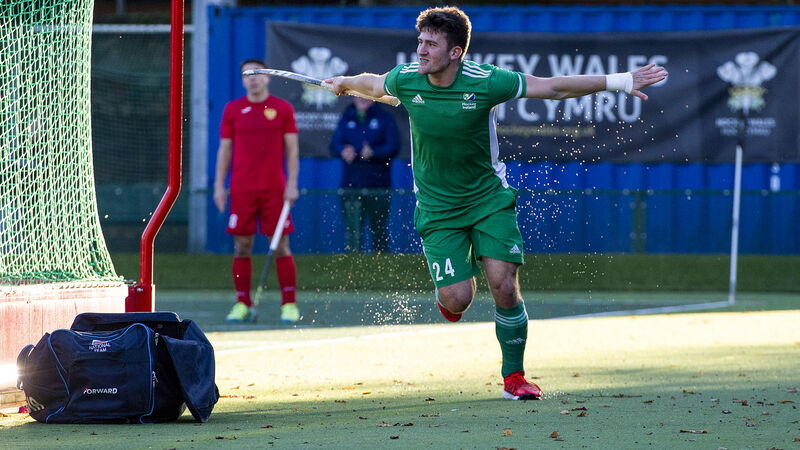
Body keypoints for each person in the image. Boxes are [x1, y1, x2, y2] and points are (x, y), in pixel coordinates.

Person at [327, 6, 667, 400]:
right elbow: (373, 83)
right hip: (437, 208)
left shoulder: (486, 81)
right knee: (458, 300)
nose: (420, 50)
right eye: (419, 41)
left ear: (455, 53)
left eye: (430, 44)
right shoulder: (405, 78)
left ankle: (514, 378)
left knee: (504, 285)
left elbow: (553, 87)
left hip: (488, 199)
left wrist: (621, 81)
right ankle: (454, 286)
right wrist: (345, 82)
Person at [214, 58, 301, 324]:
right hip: (241, 189)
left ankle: (289, 304)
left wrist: (292, 184)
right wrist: (219, 185)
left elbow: (292, 150)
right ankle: (242, 303)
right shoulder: (232, 110)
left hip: (274, 190)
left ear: (267, 77)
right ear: (242, 81)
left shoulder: (282, 108)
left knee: (281, 246)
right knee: (241, 246)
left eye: (256, 74)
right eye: (246, 75)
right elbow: (225, 149)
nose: (252, 78)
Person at [330, 97, 400, 253]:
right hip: (351, 185)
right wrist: (343, 151)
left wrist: (373, 153)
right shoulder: (346, 117)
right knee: (353, 231)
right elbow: (334, 145)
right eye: (357, 94)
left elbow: (393, 147)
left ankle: (382, 265)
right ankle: (353, 266)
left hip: (378, 186)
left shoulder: (385, 118)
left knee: (379, 229)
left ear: (373, 98)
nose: (361, 98)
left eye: (365, 95)